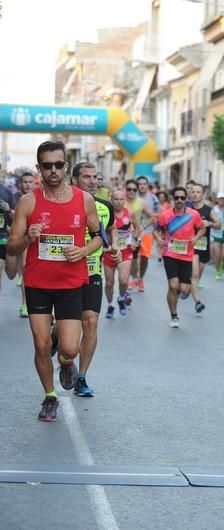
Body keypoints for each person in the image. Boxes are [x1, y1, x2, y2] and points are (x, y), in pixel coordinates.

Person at [6, 140, 102, 421]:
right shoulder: (28, 201)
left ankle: (67, 360)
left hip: (71, 284)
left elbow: (100, 237)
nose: (53, 170)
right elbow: (11, 248)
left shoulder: (83, 199)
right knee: (41, 346)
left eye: (58, 165)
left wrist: (83, 250)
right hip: (38, 285)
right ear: (39, 168)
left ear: (66, 166)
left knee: (70, 349)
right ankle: (50, 396)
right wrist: (28, 238)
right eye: (47, 165)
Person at [71, 162, 117, 397]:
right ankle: (65, 353)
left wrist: (115, 247)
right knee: (65, 333)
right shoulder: (66, 204)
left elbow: (111, 230)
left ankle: (81, 377)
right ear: (74, 180)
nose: (92, 181)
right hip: (65, 275)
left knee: (90, 323)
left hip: (92, 272)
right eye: (86, 176)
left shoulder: (105, 206)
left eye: (95, 177)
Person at [154, 186, 205, 328]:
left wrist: (196, 237)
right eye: (176, 198)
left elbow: (202, 228)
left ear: (186, 199)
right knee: (173, 285)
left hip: (187, 255)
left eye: (182, 198)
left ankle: (176, 295)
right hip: (170, 254)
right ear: (173, 199)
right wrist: (158, 238)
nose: (179, 200)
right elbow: (156, 230)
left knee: (184, 289)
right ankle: (174, 315)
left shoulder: (193, 215)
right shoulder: (166, 215)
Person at [104, 189, 140, 318]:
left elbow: (137, 228)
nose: (119, 202)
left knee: (123, 281)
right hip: (109, 251)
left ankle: (121, 297)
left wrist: (135, 239)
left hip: (125, 251)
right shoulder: (106, 214)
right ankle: (110, 305)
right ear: (111, 200)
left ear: (124, 200)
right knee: (109, 283)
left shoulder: (129, 213)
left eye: (121, 199)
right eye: (116, 199)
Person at [188, 184, 219, 313]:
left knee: (198, 273)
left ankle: (189, 288)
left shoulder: (208, 210)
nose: (195, 194)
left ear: (202, 195)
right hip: (190, 246)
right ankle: (198, 303)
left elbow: (219, 224)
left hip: (203, 246)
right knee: (194, 274)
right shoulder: (186, 208)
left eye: (198, 192)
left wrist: (210, 223)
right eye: (193, 192)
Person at [124, 179, 156, 292]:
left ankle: (141, 278)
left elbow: (153, 217)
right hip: (124, 235)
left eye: (134, 189)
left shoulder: (141, 202)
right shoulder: (120, 201)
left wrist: (143, 226)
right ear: (125, 190)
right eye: (129, 189)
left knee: (144, 259)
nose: (131, 191)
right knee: (132, 258)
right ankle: (134, 278)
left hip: (138, 233)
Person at [14, 172, 37, 317]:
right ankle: (24, 303)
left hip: (37, 238)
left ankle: (27, 304)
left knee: (29, 270)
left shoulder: (38, 198)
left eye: (30, 182)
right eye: (25, 182)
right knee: (21, 270)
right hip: (20, 237)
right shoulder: (15, 198)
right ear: (20, 184)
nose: (28, 184)